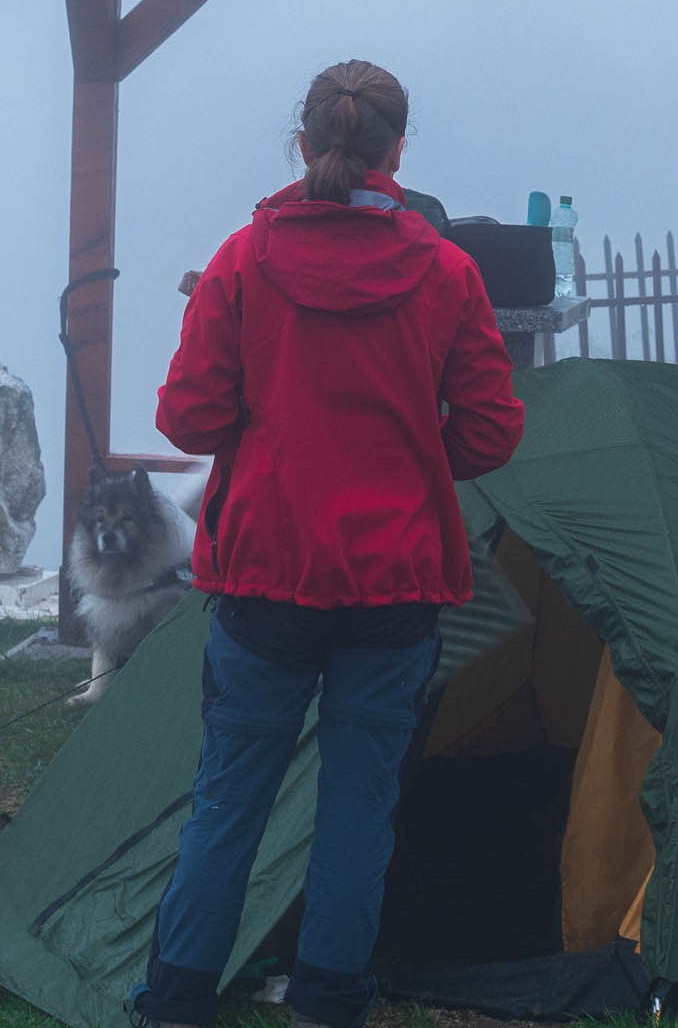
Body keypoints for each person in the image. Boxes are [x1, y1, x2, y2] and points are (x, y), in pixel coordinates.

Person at [128, 60, 525, 1028]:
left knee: (230, 797)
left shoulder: (239, 260)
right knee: (359, 804)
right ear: (397, 151)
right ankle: (328, 1003)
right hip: (395, 586)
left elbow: (188, 416)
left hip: (265, 575)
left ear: (303, 145)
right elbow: (491, 432)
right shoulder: (445, 272)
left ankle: (175, 1003)